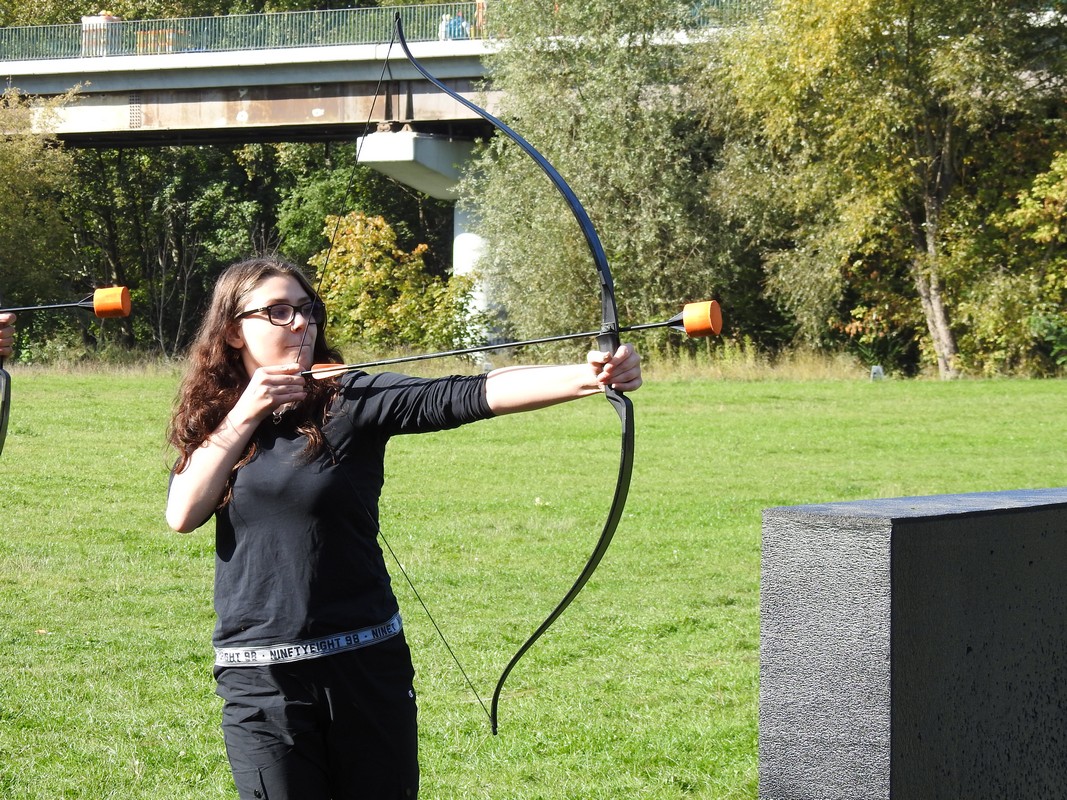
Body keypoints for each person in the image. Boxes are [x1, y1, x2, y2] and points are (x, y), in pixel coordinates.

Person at [165, 256, 642, 800]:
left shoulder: (350, 398)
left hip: (365, 665)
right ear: (233, 331)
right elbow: (183, 513)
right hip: (260, 680)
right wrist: (247, 412)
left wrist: (590, 376)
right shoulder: (216, 416)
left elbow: (464, 394)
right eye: (277, 311)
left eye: (307, 308)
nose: (300, 323)